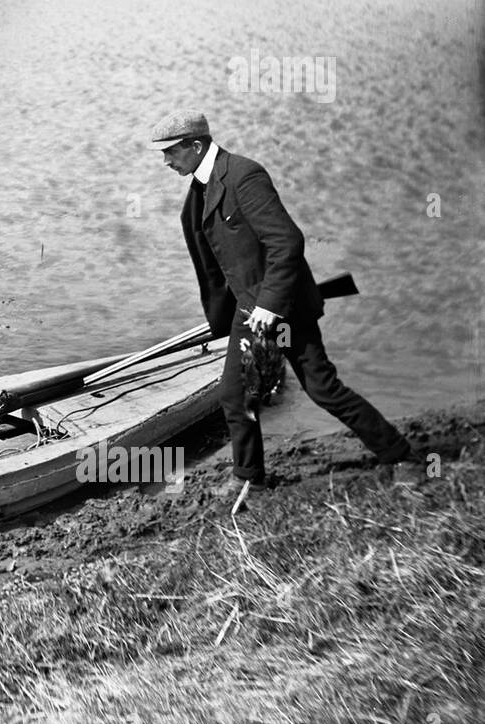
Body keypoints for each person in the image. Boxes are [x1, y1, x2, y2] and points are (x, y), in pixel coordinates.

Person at [148, 110, 421, 493]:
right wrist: (233, 315)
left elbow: (287, 242)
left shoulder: (243, 176)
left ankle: (401, 458)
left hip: (282, 310)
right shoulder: (199, 191)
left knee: (322, 389)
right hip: (251, 311)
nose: (165, 161)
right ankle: (250, 479)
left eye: (170, 152)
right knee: (236, 396)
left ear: (196, 146)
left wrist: (270, 306)